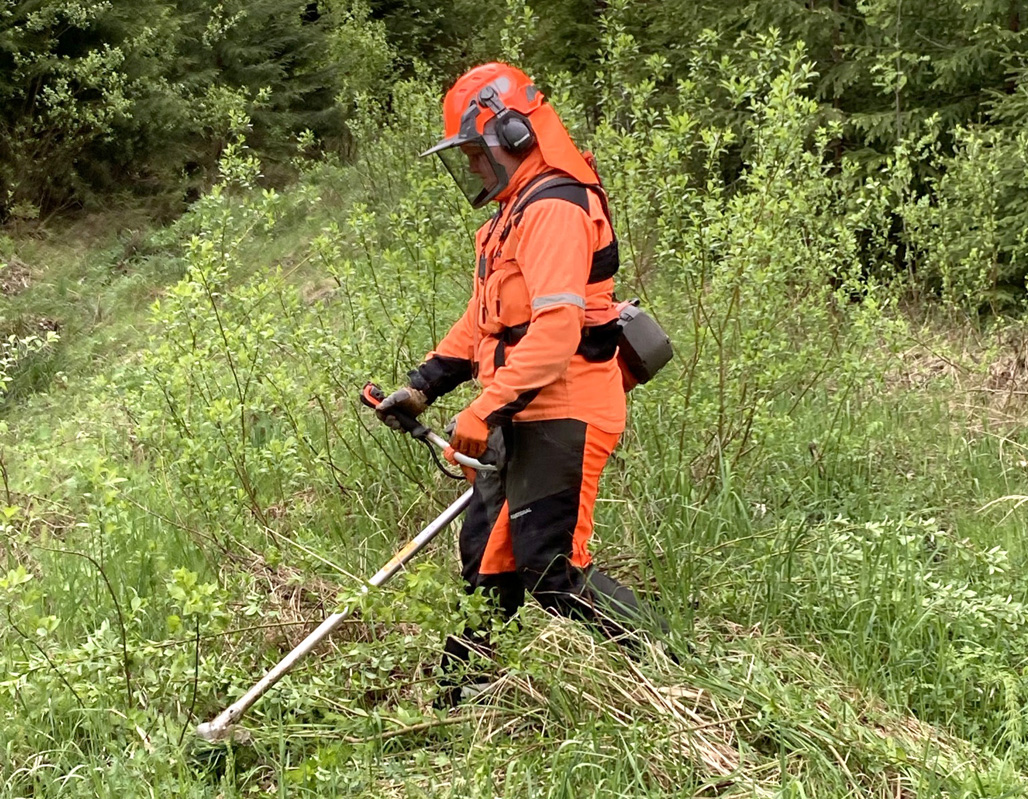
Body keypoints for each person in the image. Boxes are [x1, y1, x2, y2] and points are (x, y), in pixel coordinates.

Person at [376, 62, 667, 699]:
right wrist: (424, 384)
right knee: (486, 558)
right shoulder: (512, 216)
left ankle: (676, 667)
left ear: (513, 134)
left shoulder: (557, 208)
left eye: (478, 153)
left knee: (552, 569)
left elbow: (557, 332)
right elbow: (486, 322)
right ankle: (458, 701)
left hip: (565, 409)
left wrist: (485, 408)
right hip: (521, 410)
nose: (475, 168)